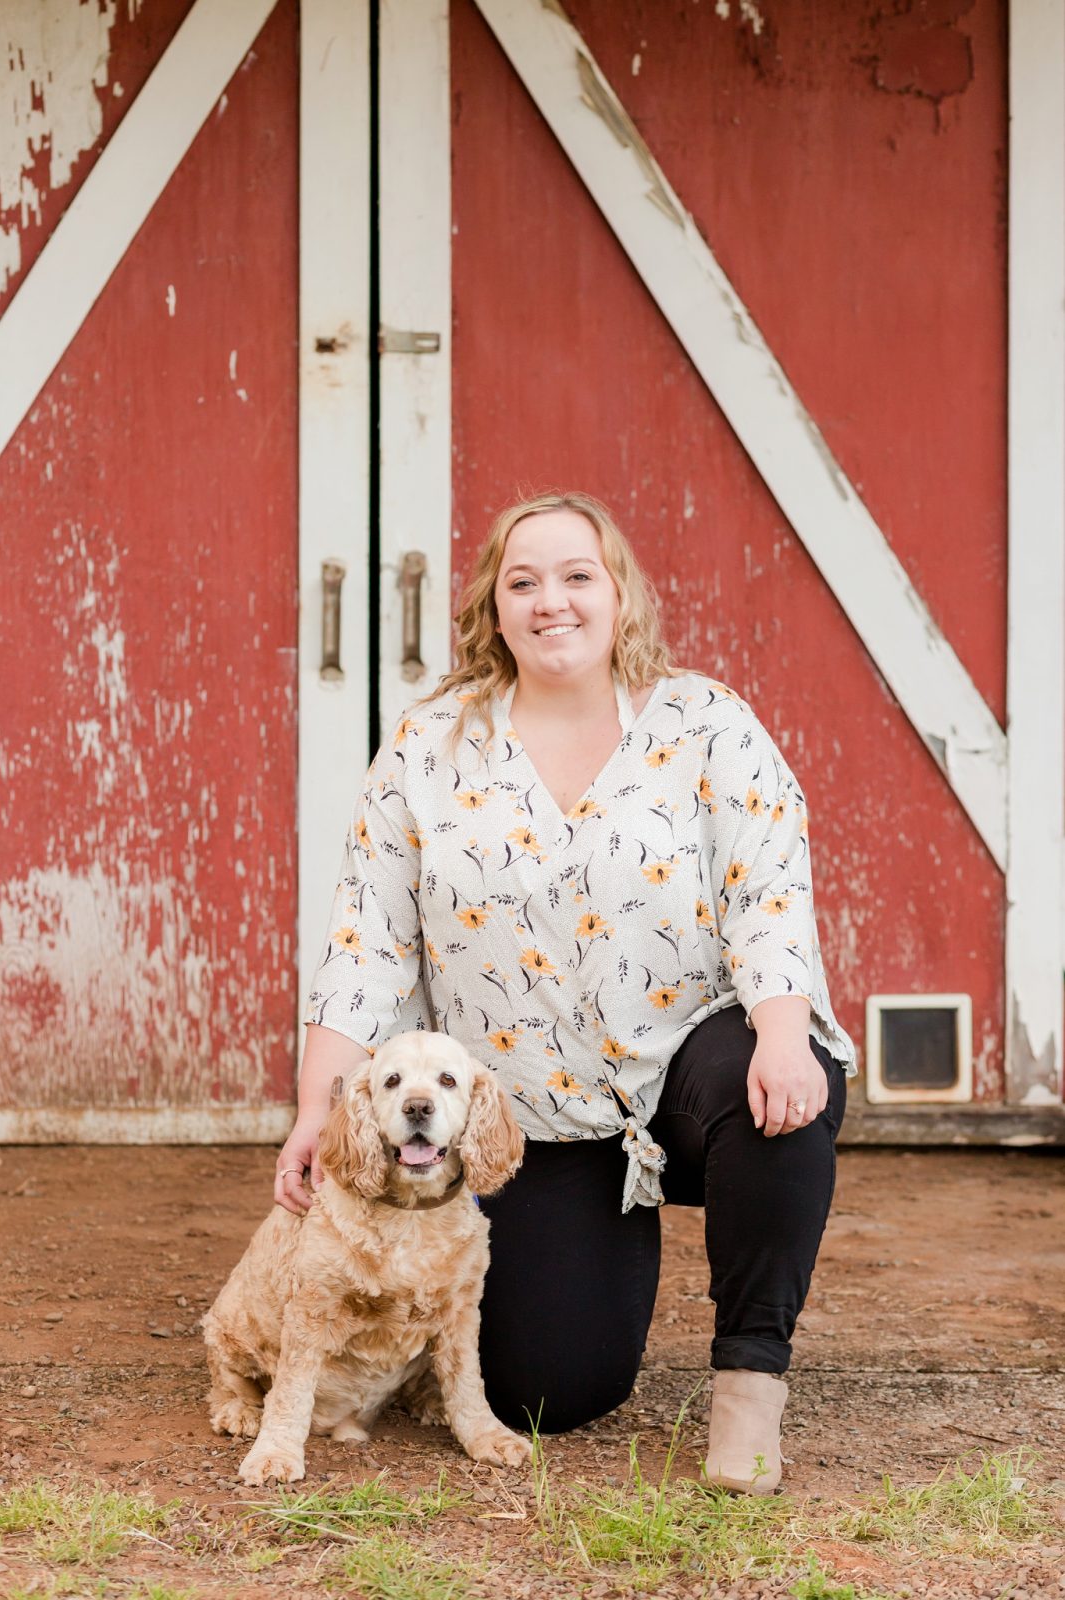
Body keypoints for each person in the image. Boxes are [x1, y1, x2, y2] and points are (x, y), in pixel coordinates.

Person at [276, 490, 855, 1494]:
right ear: (491, 610)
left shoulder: (703, 721)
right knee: (547, 1389)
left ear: (620, 596)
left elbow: (767, 885)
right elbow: (368, 938)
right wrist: (314, 1110)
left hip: (691, 1063)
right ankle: (602, 1260)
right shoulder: (428, 746)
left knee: (780, 1102)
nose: (554, 601)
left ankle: (748, 1380)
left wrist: (780, 1029)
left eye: (578, 576)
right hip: (537, 1112)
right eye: (523, 581)